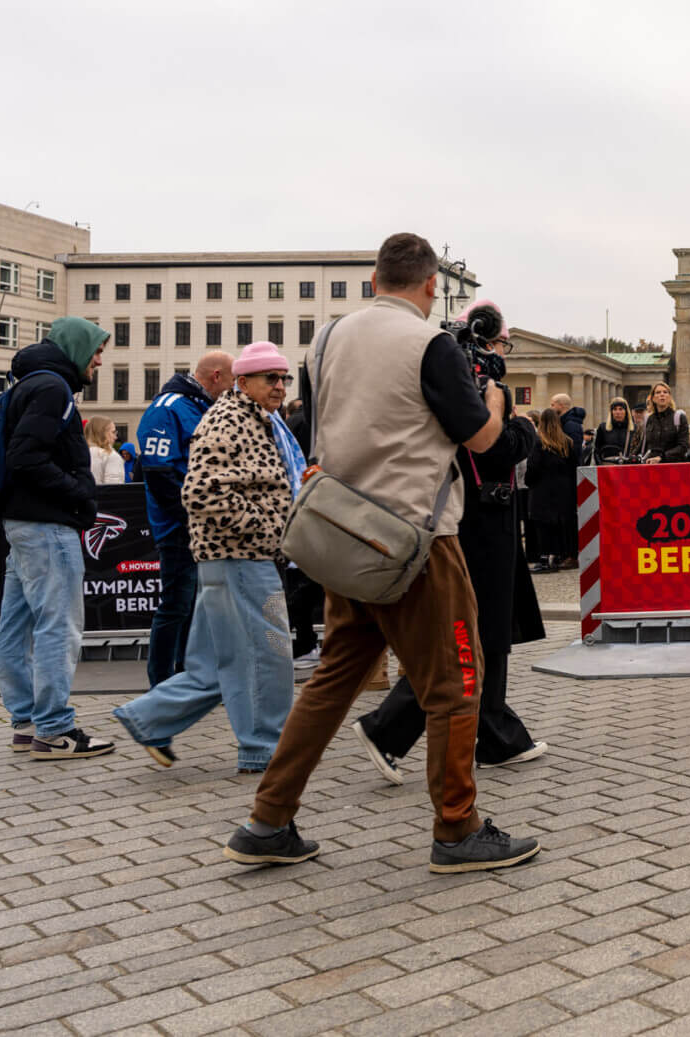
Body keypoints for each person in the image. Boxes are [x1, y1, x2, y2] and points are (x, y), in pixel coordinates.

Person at [227, 233, 538, 874]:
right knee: (457, 682)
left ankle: (268, 818)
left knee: (332, 681)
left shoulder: (327, 340)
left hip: (344, 533)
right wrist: (509, 418)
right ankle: (457, 826)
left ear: (373, 281)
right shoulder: (430, 345)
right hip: (415, 542)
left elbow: (318, 430)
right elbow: (483, 442)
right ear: (430, 286)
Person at [355, 315, 549, 781]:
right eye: (501, 344)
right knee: (472, 634)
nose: (501, 354)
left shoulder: (454, 384)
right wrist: (519, 424)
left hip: (481, 518)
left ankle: (496, 734)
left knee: (488, 633)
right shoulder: (471, 389)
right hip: (477, 522)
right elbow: (496, 446)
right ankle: (388, 727)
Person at [112, 343, 299, 773]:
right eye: (270, 378)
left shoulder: (256, 418)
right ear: (242, 382)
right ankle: (264, 747)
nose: (279, 386)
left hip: (236, 558)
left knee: (214, 664)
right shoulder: (229, 420)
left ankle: (148, 718)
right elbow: (199, 491)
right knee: (268, 657)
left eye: (283, 377)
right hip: (240, 557)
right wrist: (264, 526)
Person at [0, 318, 115, 760]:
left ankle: (27, 723)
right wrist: (79, 490)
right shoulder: (52, 389)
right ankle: (54, 730)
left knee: (16, 627)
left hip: (22, 523)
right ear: (76, 347)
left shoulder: (29, 384)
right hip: (48, 526)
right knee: (58, 626)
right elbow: (25, 457)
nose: (99, 360)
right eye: (96, 350)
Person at [137, 353, 236, 687]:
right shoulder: (169, 407)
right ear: (217, 376)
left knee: (194, 606)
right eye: (232, 382)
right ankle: (162, 683)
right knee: (176, 605)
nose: (233, 390)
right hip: (179, 526)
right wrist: (191, 516)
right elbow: (158, 472)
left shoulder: (199, 406)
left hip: (199, 524)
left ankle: (186, 678)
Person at [523, 408, 580, 572]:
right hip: (564, 490)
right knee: (559, 525)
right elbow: (574, 466)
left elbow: (533, 466)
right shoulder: (567, 442)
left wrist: (528, 482)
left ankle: (544, 559)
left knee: (543, 526)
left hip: (542, 490)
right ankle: (557, 556)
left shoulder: (539, 442)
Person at [640, 383, 689, 463]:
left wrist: (661, 458)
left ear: (669, 397)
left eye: (665, 392)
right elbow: (643, 444)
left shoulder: (679, 417)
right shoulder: (649, 419)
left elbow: (683, 446)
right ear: (653, 398)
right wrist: (632, 456)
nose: (662, 394)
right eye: (658, 392)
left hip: (673, 466)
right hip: (651, 465)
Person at [86, 415, 130, 485]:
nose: (115, 437)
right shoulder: (111, 456)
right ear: (102, 433)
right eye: (113, 432)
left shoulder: (81, 454)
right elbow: (113, 487)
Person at [591, 397, 633, 463]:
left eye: (621, 409)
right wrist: (600, 465)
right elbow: (596, 451)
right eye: (615, 409)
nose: (617, 412)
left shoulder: (633, 429)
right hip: (608, 466)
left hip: (628, 466)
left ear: (626, 411)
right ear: (611, 412)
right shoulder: (603, 428)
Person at [549, 392, 585, 457]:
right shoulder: (563, 422)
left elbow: (574, 451)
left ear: (561, 405)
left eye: (552, 405)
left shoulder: (571, 425)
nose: (550, 408)